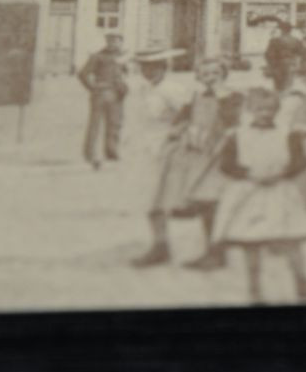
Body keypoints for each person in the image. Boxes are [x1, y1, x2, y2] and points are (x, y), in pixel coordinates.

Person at [136, 55, 241, 269]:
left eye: (215, 73)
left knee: (211, 202)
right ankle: (163, 247)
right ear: (198, 76)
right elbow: (182, 119)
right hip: (194, 152)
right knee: (175, 197)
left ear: (223, 74)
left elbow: (235, 125)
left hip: (218, 154)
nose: (210, 78)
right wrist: (176, 132)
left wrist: (224, 143)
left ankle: (216, 252)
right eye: (204, 74)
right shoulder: (196, 96)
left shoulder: (232, 96)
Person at [213, 86, 306, 303]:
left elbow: (301, 161)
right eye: (260, 109)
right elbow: (226, 164)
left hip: (280, 191)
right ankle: (254, 289)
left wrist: (283, 172)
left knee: (291, 240)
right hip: (250, 192)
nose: (265, 114)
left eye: (270, 109)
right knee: (252, 242)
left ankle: (302, 283)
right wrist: (249, 173)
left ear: (276, 110)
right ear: (250, 109)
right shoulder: (238, 135)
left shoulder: (288, 133)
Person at [127, 49, 193, 268]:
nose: (148, 71)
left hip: (166, 149)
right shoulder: (145, 88)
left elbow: (189, 114)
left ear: (164, 67)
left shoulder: (172, 89)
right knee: (149, 197)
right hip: (147, 148)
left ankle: (161, 246)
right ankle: (160, 244)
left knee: (158, 198)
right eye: (144, 67)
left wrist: (176, 133)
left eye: (153, 67)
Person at [77, 32, 130, 169]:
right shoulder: (97, 56)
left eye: (117, 41)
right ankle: (90, 153)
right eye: (111, 41)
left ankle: (111, 152)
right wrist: (92, 88)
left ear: (121, 42)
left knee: (115, 124)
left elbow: (124, 73)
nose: (114, 43)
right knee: (95, 124)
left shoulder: (122, 57)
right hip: (100, 94)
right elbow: (83, 74)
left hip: (116, 94)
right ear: (106, 42)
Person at [265, 21, 306, 92]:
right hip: (291, 65)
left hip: (278, 65)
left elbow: (269, 55)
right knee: (289, 86)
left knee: (278, 87)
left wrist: (271, 65)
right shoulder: (296, 40)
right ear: (290, 30)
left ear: (281, 30)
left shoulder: (275, 41)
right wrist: (297, 63)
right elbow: (302, 53)